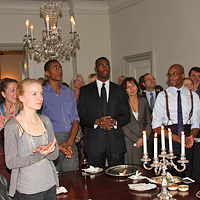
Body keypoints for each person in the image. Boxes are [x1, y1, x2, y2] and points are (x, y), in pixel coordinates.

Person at [4, 78, 59, 199]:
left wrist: (48, 151)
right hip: (28, 189)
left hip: (50, 184)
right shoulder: (13, 126)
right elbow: (11, 162)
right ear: (21, 98)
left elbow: (55, 155)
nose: (40, 98)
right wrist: (38, 155)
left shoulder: (45, 121)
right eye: (34, 94)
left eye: (41, 94)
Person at [78, 57, 131, 168]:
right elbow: (81, 116)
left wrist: (114, 122)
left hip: (115, 142)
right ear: (96, 69)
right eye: (102, 65)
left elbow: (126, 115)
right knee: (96, 180)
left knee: (117, 176)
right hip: (94, 142)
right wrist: (96, 121)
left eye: (107, 65)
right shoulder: (85, 90)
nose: (105, 68)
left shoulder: (119, 90)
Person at [152, 64, 200, 177]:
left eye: (174, 74)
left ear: (182, 75)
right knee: (170, 175)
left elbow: (196, 123)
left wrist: (190, 139)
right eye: (169, 75)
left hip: (188, 138)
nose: (171, 78)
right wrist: (179, 139)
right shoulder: (162, 96)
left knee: (188, 176)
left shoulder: (193, 96)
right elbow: (156, 127)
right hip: (169, 138)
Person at [42, 60, 79, 172]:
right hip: (52, 138)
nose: (59, 70)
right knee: (54, 175)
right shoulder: (42, 93)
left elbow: (75, 119)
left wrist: (70, 141)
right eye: (55, 68)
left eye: (60, 67)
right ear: (47, 73)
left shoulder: (68, 92)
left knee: (72, 176)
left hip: (70, 137)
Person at [121, 77, 151, 164]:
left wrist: (144, 138)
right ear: (125, 90)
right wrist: (136, 139)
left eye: (133, 85)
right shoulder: (123, 103)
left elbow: (148, 122)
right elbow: (123, 125)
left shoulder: (144, 101)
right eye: (128, 87)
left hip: (143, 141)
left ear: (137, 87)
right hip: (129, 142)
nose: (131, 89)